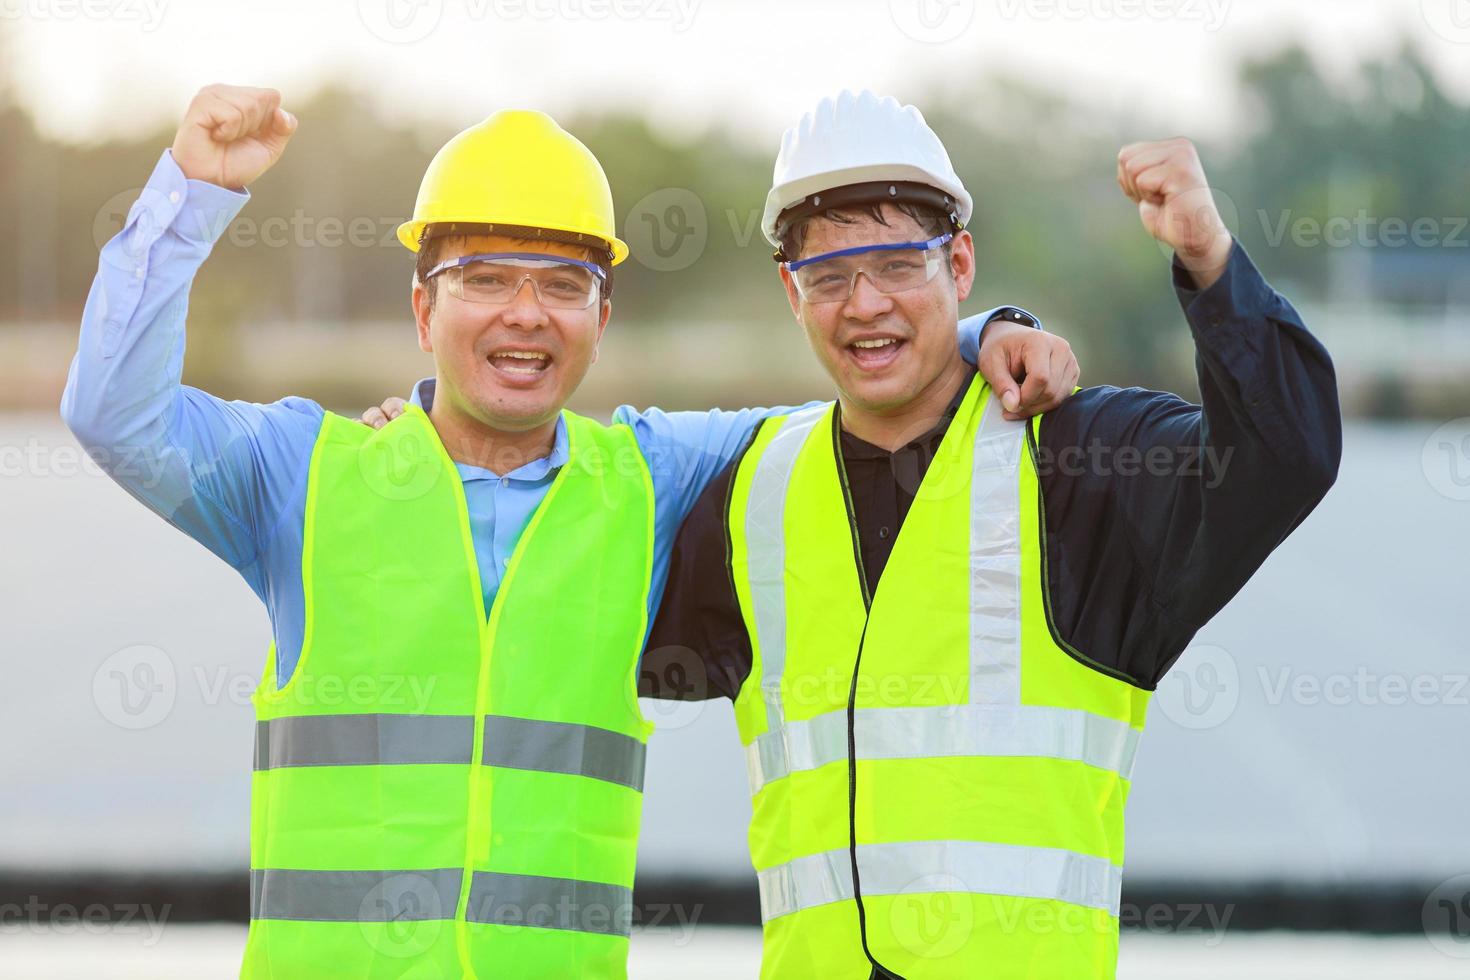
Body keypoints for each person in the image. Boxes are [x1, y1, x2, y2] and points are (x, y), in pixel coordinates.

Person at [60, 84, 1079, 978]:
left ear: (602, 315)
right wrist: (191, 195)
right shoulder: (302, 477)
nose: (525, 315)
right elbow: (116, 413)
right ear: (425, 308)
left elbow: (867, 397)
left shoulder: (649, 478)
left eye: (562, 285)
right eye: (488, 278)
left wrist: (982, 330)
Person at [639, 89, 1342, 979]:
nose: (864, 305)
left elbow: (1287, 456)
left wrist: (1210, 258)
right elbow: (555, 596)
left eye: (898, 264)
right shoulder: (750, 497)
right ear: (792, 293)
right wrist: (426, 453)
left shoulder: (1083, 467)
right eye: (828, 277)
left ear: (959, 264)